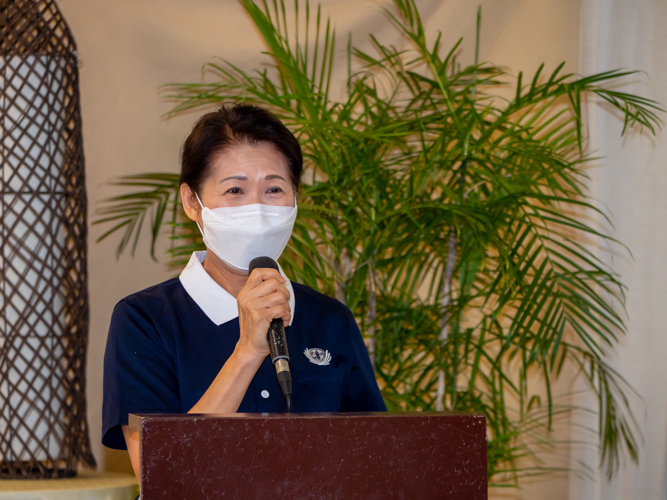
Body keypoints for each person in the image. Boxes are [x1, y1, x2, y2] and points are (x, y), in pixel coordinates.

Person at [102, 103, 386, 480]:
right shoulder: (145, 320)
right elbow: (161, 475)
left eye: (273, 189)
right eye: (235, 190)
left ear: (295, 198)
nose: (256, 208)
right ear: (192, 202)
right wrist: (248, 351)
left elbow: (375, 458)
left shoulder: (330, 319)